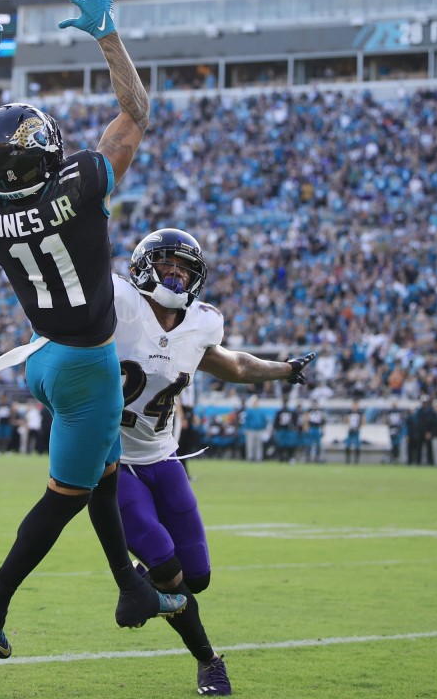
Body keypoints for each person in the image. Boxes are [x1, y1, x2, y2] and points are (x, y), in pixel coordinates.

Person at [0, 0, 186, 659]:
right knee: (66, 496)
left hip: (43, 357)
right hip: (86, 367)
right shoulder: (80, 186)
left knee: (105, 473)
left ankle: (129, 585)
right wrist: (108, 34)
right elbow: (135, 114)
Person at [113, 228, 316, 696]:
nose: (177, 275)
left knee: (196, 577)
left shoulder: (200, 324)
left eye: (186, 269)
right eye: (168, 265)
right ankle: (210, 662)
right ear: (144, 266)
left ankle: (144, 588)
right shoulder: (117, 305)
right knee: (168, 567)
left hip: (164, 458)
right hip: (114, 461)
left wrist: (283, 369)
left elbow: (237, 367)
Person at [411, 395, 437, 466]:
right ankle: (418, 463)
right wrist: (422, 432)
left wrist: (430, 432)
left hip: (429, 433)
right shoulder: (419, 411)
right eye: (423, 402)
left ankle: (430, 463)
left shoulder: (431, 411)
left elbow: (433, 422)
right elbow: (417, 423)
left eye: (426, 402)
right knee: (419, 449)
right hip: (420, 433)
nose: (424, 403)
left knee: (429, 449)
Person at [345, 400, 363, 464]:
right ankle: (348, 460)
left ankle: (356, 461)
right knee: (347, 445)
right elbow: (346, 420)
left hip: (356, 431)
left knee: (357, 446)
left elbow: (363, 420)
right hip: (350, 430)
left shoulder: (360, 413)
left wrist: (359, 427)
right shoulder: (349, 412)